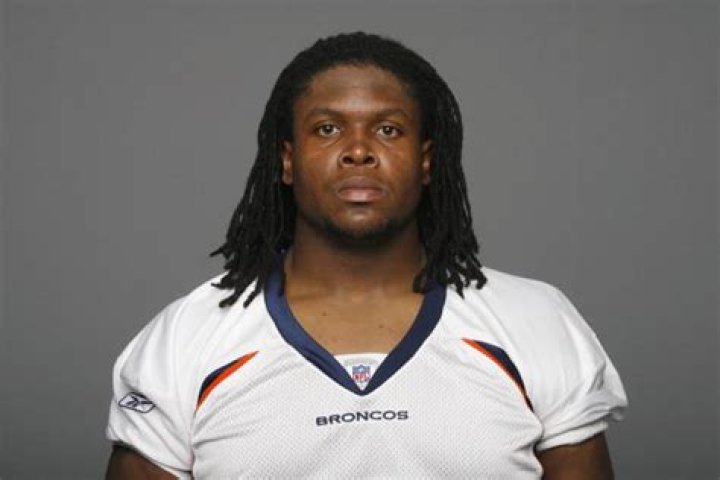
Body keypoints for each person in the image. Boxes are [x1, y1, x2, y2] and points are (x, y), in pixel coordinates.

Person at [105, 32, 627, 479]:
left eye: (388, 129)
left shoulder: (535, 321)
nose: (359, 150)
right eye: (328, 129)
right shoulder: (187, 338)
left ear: (426, 161)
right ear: (287, 160)